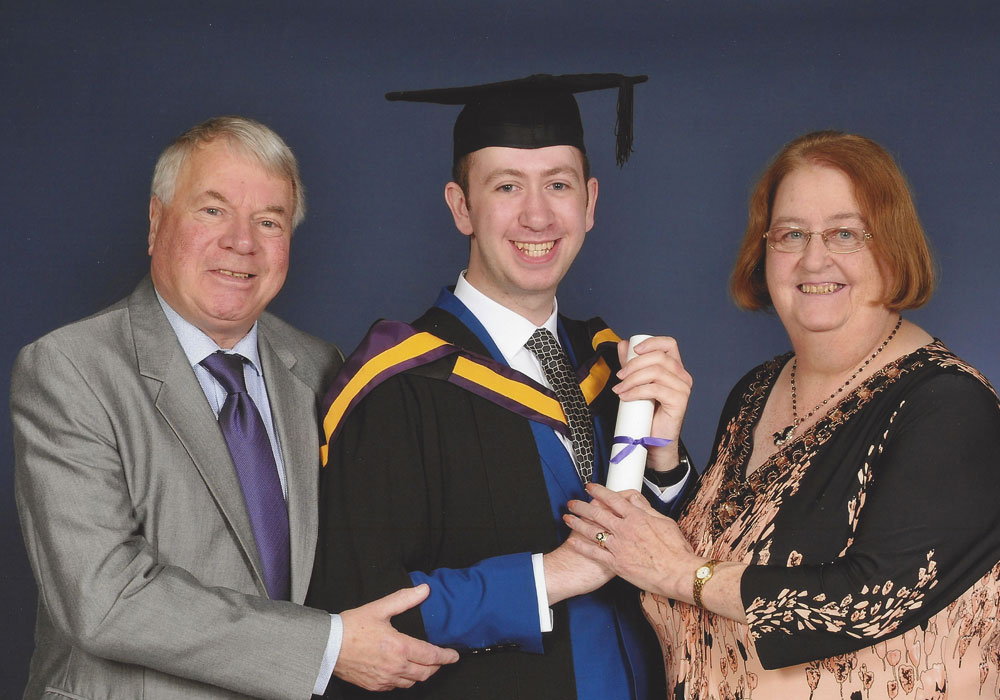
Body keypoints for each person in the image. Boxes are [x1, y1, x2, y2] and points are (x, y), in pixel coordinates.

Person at [12, 116, 457, 700]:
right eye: (213, 210)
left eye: (268, 221)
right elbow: (106, 599)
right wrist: (326, 649)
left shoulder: (321, 366)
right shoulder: (71, 369)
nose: (241, 242)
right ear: (156, 222)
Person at [564, 130, 1000, 698]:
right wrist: (664, 460)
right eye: (791, 234)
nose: (814, 258)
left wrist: (681, 576)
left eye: (844, 233)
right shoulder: (758, 390)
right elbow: (729, 551)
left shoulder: (948, 406)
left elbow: (867, 602)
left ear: (892, 248)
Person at [307, 74, 694, 699]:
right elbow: (366, 614)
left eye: (559, 185)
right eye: (507, 186)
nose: (537, 214)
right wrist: (550, 577)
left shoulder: (613, 367)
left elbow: (682, 569)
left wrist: (666, 464)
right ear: (461, 206)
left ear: (590, 203)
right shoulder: (397, 387)